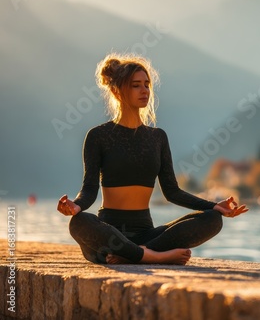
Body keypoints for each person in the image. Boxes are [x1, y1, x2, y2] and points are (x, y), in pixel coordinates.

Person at [57, 53, 248, 265]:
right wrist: (76, 206)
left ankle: (133, 254)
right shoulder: (98, 136)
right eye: (136, 85)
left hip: (148, 235)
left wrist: (213, 206)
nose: (144, 90)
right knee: (79, 222)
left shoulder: (157, 137)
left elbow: (172, 192)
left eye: (147, 84)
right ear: (116, 91)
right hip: (109, 235)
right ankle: (152, 256)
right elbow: (89, 189)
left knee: (212, 220)